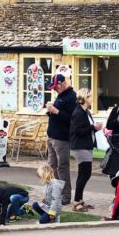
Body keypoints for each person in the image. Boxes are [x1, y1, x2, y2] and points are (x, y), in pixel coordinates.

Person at [45, 72, 76, 205]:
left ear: (62, 84)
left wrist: (56, 111)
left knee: (62, 167)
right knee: (52, 166)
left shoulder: (72, 97)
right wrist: (50, 112)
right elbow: (57, 114)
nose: (55, 90)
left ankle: (66, 196)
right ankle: (55, 192)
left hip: (62, 138)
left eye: (56, 87)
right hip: (52, 136)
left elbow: (72, 119)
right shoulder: (60, 95)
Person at [69, 87, 102, 212]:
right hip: (80, 146)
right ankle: (76, 202)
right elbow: (77, 131)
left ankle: (79, 200)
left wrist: (94, 128)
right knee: (85, 173)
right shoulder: (78, 112)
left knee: (83, 174)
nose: (92, 98)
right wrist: (93, 127)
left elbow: (86, 129)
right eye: (90, 96)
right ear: (84, 98)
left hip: (86, 145)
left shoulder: (86, 111)